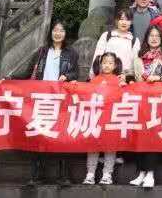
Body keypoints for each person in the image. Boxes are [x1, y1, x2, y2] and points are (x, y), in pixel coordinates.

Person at [9, 21, 79, 185]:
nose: (58, 33)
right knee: (38, 135)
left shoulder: (72, 53)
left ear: (66, 34)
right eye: (55, 30)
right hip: (42, 99)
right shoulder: (41, 51)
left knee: (62, 135)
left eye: (61, 30)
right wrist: (10, 78)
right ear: (50, 32)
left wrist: (67, 76)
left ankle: (63, 176)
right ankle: (37, 175)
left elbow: (76, 73)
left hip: (61, 99)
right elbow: (28, 73)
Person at [130, 25, 162, 188]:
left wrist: (158, 78)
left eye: (157, 36)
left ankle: (150, 173)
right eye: (151, 35)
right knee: (140, 135)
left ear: (161, 39)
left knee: (153, 135)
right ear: (146, 38)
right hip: (141, 101)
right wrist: (129, 81)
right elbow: (130, 74)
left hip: (159, 101)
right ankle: (141, 172)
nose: (154, 39)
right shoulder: (139, 56)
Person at [83, 53, 126, 185]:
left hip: (111, 118)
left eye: (110, 63)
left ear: (115, 65)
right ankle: (90, 173)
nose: (107, 65)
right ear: (100, 64)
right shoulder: (94, 80)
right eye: (105, 62)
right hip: (96, 118)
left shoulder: (118, 80)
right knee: (93, 145)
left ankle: (107, 174)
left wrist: (124, 85)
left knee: (110, 146)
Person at [91, 9, 140, 81]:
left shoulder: (134, 40)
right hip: (105, 77)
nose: (124, 22)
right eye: (121, 19)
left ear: (131, 22)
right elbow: (97, 56)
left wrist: (128, 77)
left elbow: (134, 63)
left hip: (123, 79)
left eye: (127, 20)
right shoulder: (107, 35)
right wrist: (92, 76)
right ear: (116, 21)